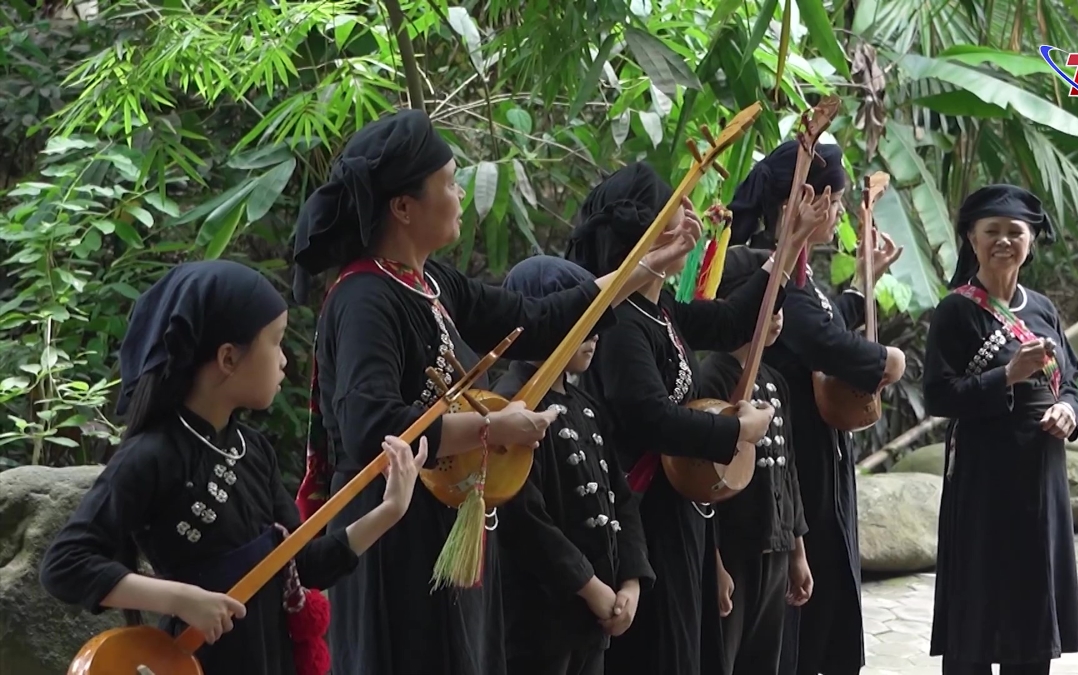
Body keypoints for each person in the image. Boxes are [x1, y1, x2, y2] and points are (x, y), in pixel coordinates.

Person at [288, 110, 696, 675]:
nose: (460, 194)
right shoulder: (364, 299)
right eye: (448, 182)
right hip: (393, 535)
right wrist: (491, 428)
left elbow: (538, 318)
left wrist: (643, 268)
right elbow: (370, 427)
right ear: (403, 207)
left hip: (449, 523)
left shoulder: (433, 283)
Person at [39, 260, 426, 675]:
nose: (284, 361)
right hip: (198, 661)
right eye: (276, 342)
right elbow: (65, 564)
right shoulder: (150, 456)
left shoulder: (252, 449)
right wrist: (182, 600)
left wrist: (390, 510)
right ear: (227, 358)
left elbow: (303, 562)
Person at [565, 160, 819, 675]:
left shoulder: (661, 311)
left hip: (676, 512)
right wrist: (737, 430)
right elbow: (651, 418)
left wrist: (789, 245)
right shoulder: (621, 324)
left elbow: (733, 320)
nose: (693, 219)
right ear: (650, 233)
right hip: (644, 518)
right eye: (677, 210)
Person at [728, 140, 907, 675]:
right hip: (790, 461)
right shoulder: (762, 269)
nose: (838, 214)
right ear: (806, 202)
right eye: (834, 202)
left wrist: (863, 282)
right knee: (802, 618)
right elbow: (822, 341)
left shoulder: (800, 274)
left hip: (817, 456)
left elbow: (823, 319)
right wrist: (887, 360)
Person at [923, 184, 1078, 675]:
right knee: (978, 609)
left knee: (1032, 612)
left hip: (1040, 480)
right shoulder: (955, 311)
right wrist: (1007, 376)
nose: (1004, 241)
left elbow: (1071, 380)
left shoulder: (1043, 310)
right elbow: (939, 396)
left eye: (1015, 232)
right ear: (972, 240)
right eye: (992, 231)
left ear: (1030, 242)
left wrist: (1069, 411)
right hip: (983, 483)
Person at [493, 255, 656, 675]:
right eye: (583, 319)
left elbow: (621, 498)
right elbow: (524, 518)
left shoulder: (585, 405)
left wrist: (631, 581)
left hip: (594, 616)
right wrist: (589, 587)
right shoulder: (509, 405)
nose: (596, 334)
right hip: (538, 620)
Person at [697, 246, 813, 675]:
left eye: (779, 306)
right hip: (734, 547)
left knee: (765, 661)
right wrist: (715, 564)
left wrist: (797, 550)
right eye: (766, 305)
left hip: (775, 543)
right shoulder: (711, 378)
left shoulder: (774, 380)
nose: (776, 317)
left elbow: (788, 470)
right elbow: (699, 483)